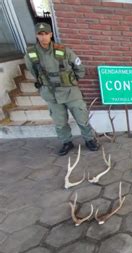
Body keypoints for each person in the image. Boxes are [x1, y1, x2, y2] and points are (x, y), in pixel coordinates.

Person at [24, 22, 99, 155]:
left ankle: (89, 140)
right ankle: (66, 142)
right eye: (40, 34)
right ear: (36, 36)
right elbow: (34, 72)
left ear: (51, 34)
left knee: (82, 118)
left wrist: (71, 81)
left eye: (46, 34)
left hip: (70, 92)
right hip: (51, 94)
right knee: (60, 122)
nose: (43, 37)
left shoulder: (63, 50)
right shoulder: (31, 54)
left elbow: (79, 68)